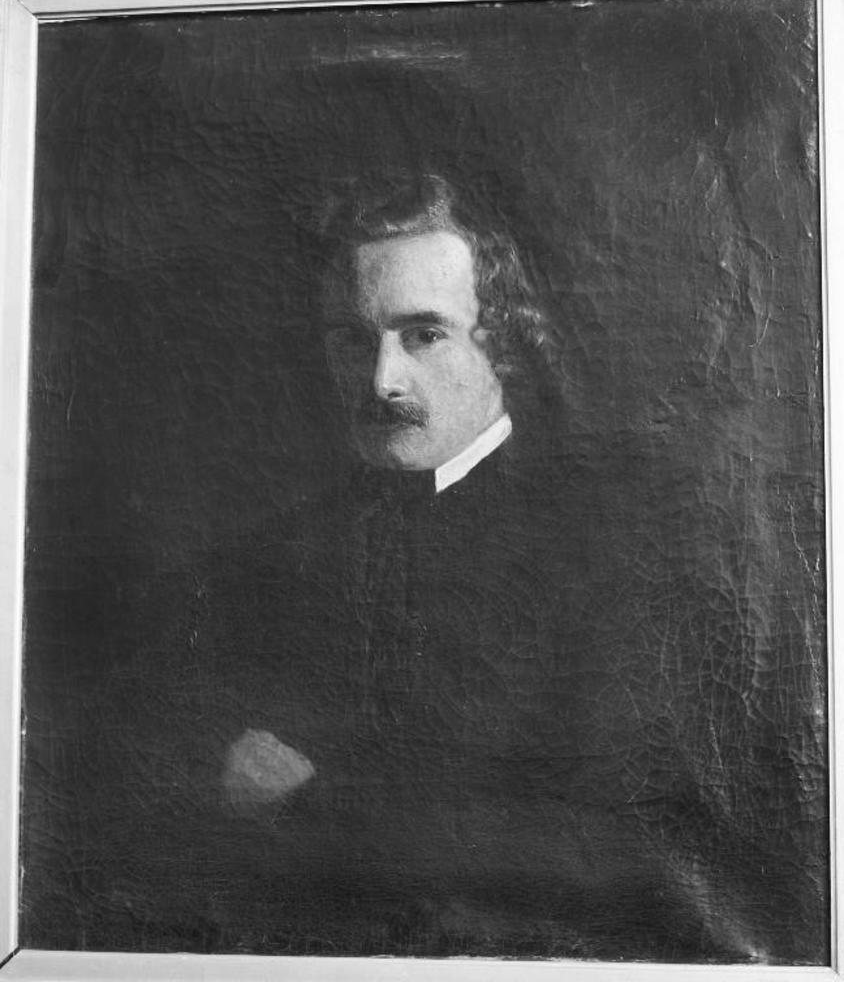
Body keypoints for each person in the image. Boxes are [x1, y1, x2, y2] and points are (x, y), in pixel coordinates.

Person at [75, 173, 824, 962]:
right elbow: (121, 764)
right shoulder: (267, 561)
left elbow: (624, 843)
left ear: (503, 340)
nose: (382, 380)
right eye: (353, 339)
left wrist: (317, 803)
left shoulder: (622, 548)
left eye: (423, 335)